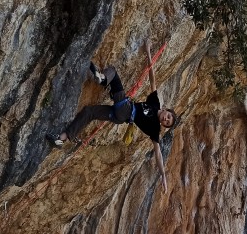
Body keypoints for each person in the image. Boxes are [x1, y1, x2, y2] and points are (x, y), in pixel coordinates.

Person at [46, 42, 176, 191]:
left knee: (113, 72)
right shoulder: (155, 103)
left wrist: (163, 175)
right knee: (89, 112)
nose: (165, 120)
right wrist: (148, 53)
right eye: (168, 117)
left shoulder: (154, 128)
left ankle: (102, 79)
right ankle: (62, 139)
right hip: (119, 115)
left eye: (167, 123)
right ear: (166, 110)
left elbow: (158, 152)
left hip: (126, 111)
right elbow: (152, 80)